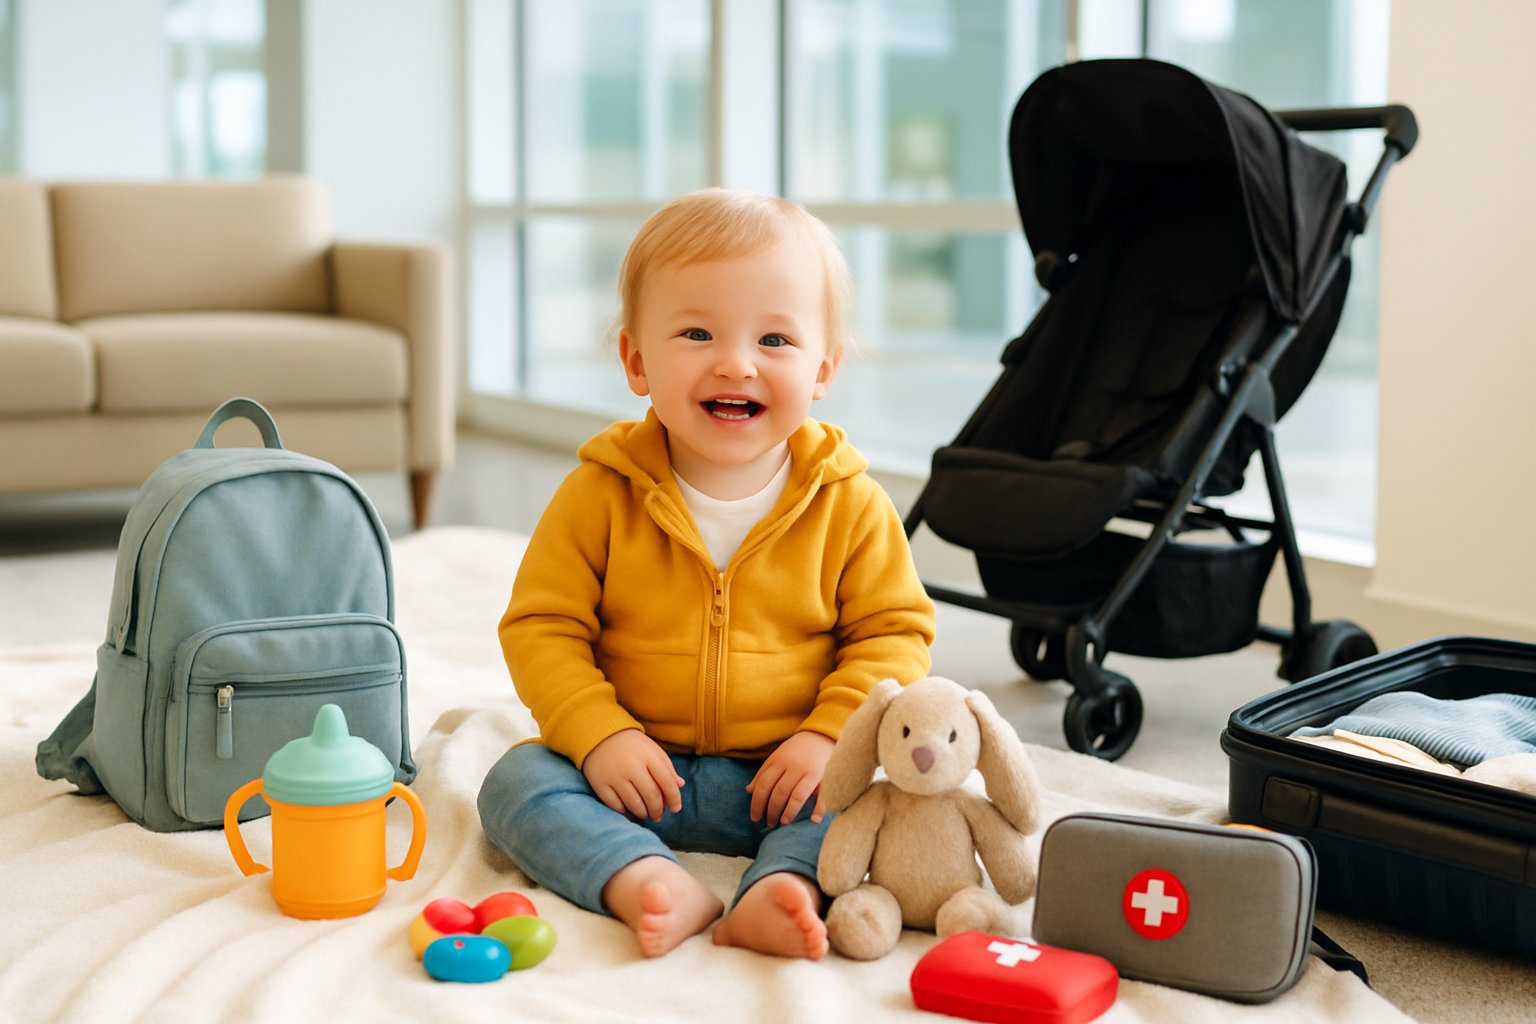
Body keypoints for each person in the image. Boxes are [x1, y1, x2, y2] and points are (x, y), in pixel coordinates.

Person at [478, 187, 935, 960]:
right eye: (696, 332)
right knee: (512, 782)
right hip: (633, 777)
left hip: (784, 779)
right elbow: (542, 626)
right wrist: (598, 737)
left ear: (822, 369)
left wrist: (829, 738)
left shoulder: (851, 503)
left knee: (878, 804)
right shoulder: (600, 491)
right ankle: (644, 878)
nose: (736, 363)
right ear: (636, 360)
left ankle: (776, 890)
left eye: (775, 341)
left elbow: (893, 636)